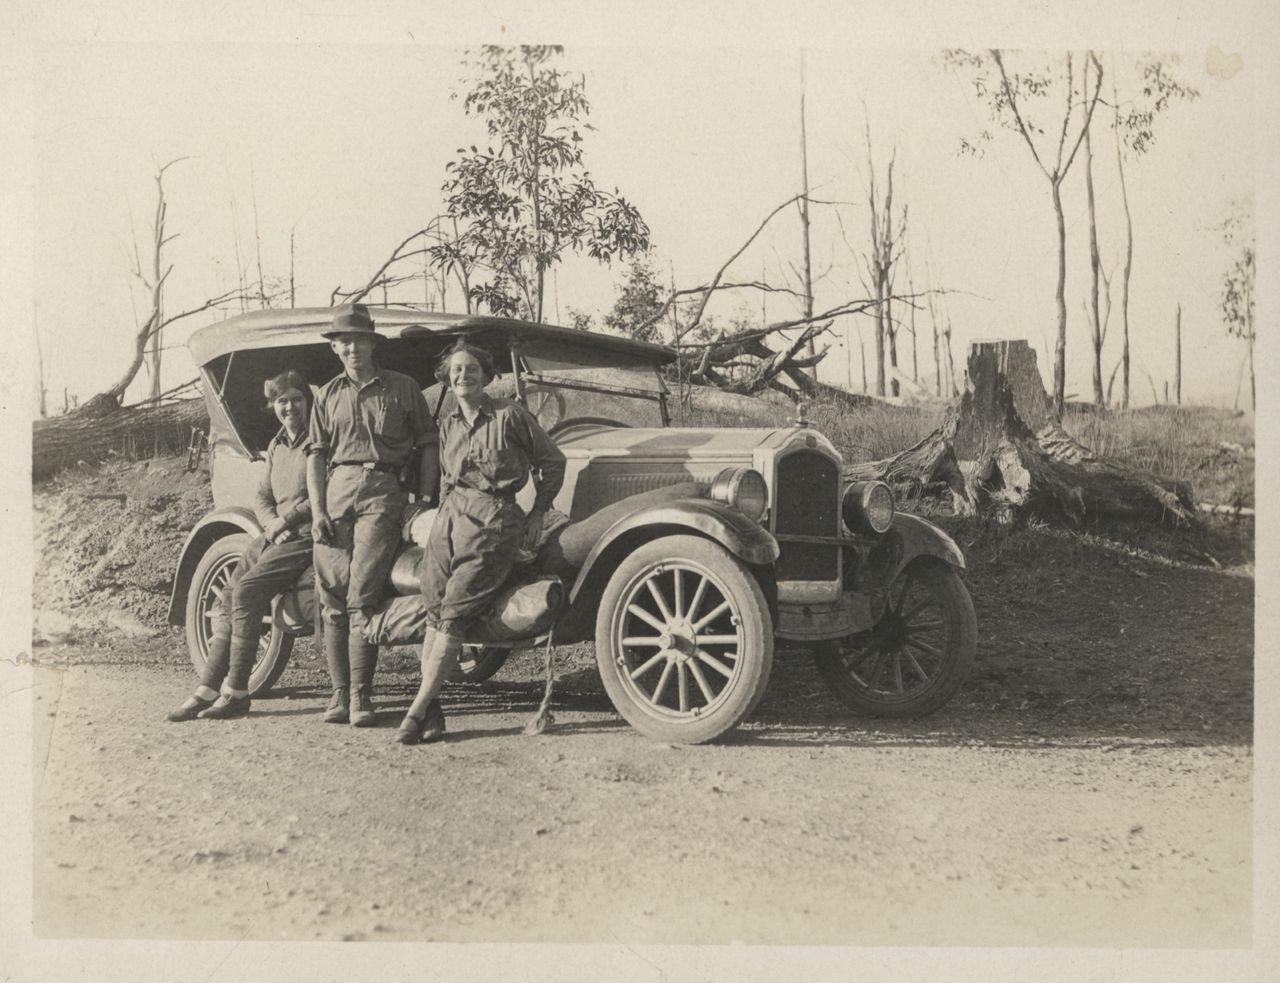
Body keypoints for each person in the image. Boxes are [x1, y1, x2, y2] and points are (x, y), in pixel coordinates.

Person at [397, 339, 566, 745]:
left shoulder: (510, 415)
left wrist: (538, 512)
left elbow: (553, 462)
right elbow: (444, 479)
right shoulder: (449, 423)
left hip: (494, 520)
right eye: (456, 370)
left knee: (454, 613)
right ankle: (433, 710)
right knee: (434, 605)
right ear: (447, 378)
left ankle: (416, 711)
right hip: (450, 519)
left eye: (471, 369)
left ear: (486, 376)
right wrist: (439, 519)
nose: (463, 375)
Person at [308, 304, 439, 727]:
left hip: (384, 492)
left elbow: (428, 444)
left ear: (372, 344)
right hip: (337, 493)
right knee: (331, 595)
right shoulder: (326, 395)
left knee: (361, 593)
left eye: (359, 340)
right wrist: (317, 509)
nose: (352, 348)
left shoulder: (402, 388)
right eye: (343, 342)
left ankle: (362, 696)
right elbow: (316, 456)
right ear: (334, 349)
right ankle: (338, 696)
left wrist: (423, 496)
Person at [167, 371, 316, 721]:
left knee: (248, 591)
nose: (289, 407)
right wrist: (268, 523)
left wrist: (286, 522)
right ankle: (206, 688)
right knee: (231, 593)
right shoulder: (279, 444)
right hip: (273, 533)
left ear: (307, 402)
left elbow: (322, 497)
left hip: (306, 535)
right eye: (282, 402)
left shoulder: (317, 443)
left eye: (296, 399)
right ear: (273, 407)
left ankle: (236, 691)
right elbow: (263, 495)